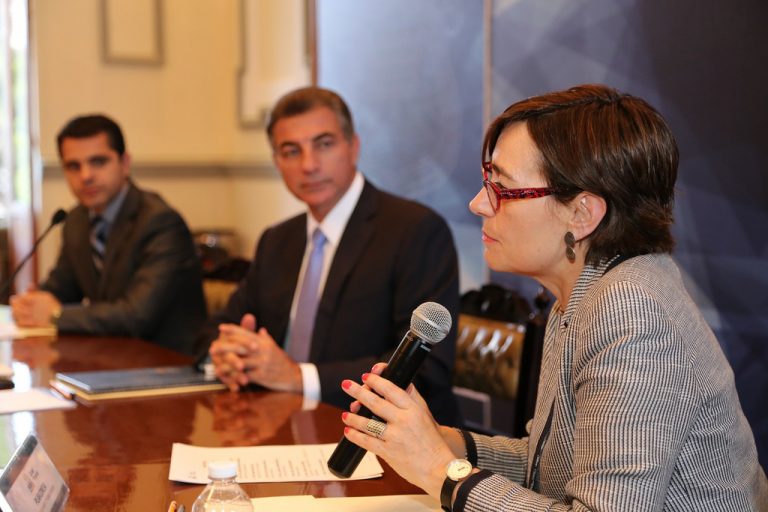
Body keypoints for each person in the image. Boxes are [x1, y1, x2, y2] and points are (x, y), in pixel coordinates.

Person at [339, 84, 768, 511]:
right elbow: (548, 467)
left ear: (582, 214)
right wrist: (440, 442)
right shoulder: (584, 292)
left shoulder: (631, 309)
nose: (478, 204)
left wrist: (439, 470)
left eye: (502, 189)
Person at [203, 86, 461, 425]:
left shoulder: (415, 230)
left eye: (324, 144)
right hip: (280, 423)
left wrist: (298, 377)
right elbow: (217, 329)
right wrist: (228, 355)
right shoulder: (277, 240)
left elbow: (425, 368)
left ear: (353, 147)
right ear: (277, 162)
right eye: (291, 151)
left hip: (381, 436)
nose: (309, 165)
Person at [11, 114, 207, 357]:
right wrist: (33, 304)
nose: (85, 176)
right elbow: (62, 287)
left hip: (168, 363)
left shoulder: (160, 222)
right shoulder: (76, 220)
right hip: (109, 358)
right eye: (73, 166)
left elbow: (136, 316)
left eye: (98, 162)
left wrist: (54, 315)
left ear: (125, 163)